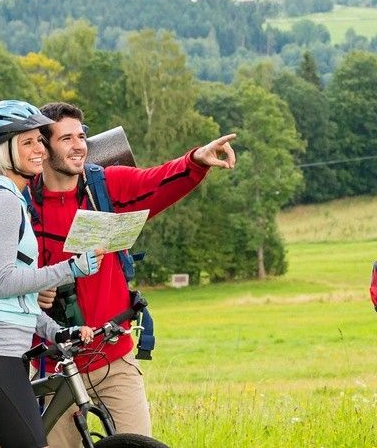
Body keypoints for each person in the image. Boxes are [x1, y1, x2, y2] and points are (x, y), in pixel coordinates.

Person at [30, 102, 236, 448]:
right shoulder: (22, 204)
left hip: (114, 357)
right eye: (66, 138)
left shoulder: (104, 187)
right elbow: (1, 274)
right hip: (56, 366)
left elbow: (157, 181)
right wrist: (32, 292)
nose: (79, 145)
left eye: (81, 136)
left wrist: (196, 160)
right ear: (43, 145)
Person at [0, 100, 104, 448]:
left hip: (2, 352)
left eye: (40, 140)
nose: (40, 149)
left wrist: (56, 331)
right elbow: (6, 281)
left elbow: (16, 303)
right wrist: (71, 268)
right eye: (28, 143)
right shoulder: (4, 202)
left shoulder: (14, 199)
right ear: (5, 151)